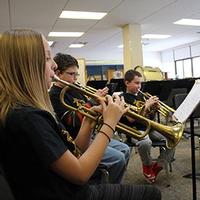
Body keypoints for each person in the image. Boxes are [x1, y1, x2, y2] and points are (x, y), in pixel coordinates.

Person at [0, 29, 162, 200]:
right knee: (153, 194)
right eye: (47, 57)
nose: (54, 65)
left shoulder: (27, 111)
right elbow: (80, 173)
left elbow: (76, 152)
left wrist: (88, 121)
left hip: (66, 187)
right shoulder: (28, 117)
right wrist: (109, 123)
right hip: (68, 193)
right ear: (26, 64)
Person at [49, 53, 130, 184]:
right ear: (58, 73)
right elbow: (71, 121)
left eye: (76, 74)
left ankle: (112, 185)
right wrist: (92, 101)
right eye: (71, 74)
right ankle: (106, 189)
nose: (75, 79)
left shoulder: (75, 89)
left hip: (91, 135)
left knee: (125, 149)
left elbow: (90, 112)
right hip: (77, 141)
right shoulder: (54, 95)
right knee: (118, 158)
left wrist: (105, 106)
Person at [120, 69, 173, 183]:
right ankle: (148, 165)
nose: (139, 86)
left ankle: (158, 165)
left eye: (140, 83)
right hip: (134, 130)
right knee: (145, 143)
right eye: (137, 83)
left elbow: (150, 118)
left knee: (172, 139)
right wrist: (147, 105)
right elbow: (131, 119)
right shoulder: (122, 98)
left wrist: (154, 108)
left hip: (149, 128)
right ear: (127, 83)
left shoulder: (142, 96)